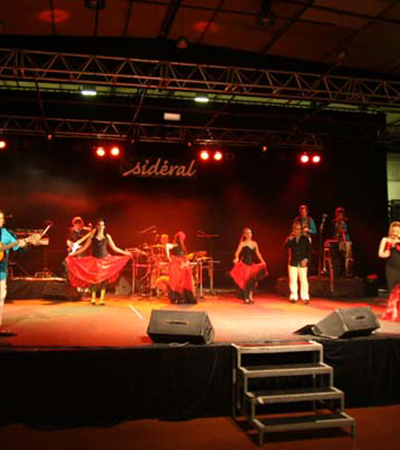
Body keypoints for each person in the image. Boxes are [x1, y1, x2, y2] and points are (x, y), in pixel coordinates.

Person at [66, 219, 132, 306]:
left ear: (104, 227)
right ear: (97, 226)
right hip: (94, 260)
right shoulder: (92, 236)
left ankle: (102, 299)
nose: (101, 227)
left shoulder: (107, 236)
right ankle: (93, 298)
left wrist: (126, 253)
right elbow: (84, 248)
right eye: (99, 225)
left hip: (105, 261)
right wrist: (73, 254)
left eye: (102, 225)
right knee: (93, 279)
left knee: (104, 280)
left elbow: (114, 248)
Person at [0, 210, 26, 331]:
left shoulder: (7, 234)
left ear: (4, 221)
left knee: (0, 298)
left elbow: (17, 249)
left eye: (1, 219)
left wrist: (24, 244)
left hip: (1, 273)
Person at [230, 227, 267, 304]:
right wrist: (236, 258)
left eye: (250, 233)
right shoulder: (242, 243)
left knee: (252, 281)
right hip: (244, 265)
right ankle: (246, 298)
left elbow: (258, 253)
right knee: (245, 281)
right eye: (247, 233)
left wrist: (263, 261)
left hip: (251, 265)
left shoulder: (254, 243)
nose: (249, 234)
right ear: (244, 234)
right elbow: (237, 253)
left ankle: (250, 296)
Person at [166, 231, 197, 304]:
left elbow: (184, 256)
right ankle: (178, 298)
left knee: (181, 282)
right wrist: (170, 258)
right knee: (177, 282)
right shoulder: (177, 246)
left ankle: (179, 298)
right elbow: (167, 246)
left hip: (181, 265)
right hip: (177, 266)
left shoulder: (181, 247)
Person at [285, 222, 312, 304]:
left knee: (303, 280)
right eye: (296, 229)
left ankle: (305, 297)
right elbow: (285, 247)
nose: (298, 231)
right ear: (293, 230)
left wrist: (306, 260)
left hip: (303, 262)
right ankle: (293, 297)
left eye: (299, 229)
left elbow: (309, 251)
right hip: (293, 262)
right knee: (293, 280)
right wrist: (289, 239)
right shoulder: (291, 239)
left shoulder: (305, 239)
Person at [379, 221, 400, 321]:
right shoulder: (386, 240)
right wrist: (386, 253)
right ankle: (393, 312)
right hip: (391, 268)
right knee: (393, 291)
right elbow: (380, 254)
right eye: (394, 231)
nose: (395, 233)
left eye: (397, 231)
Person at [332, 207, 353, 276]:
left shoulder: (346, 221)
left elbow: (350, 230)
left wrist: (344, 231)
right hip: (338, 241)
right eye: (338, 214)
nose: (340, 216)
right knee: (339, 257)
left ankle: (348, 272)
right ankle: (340, 272)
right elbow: (333, 231)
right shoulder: (334, 222)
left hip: (346, 240)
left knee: (348, 257)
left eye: (341, 214)